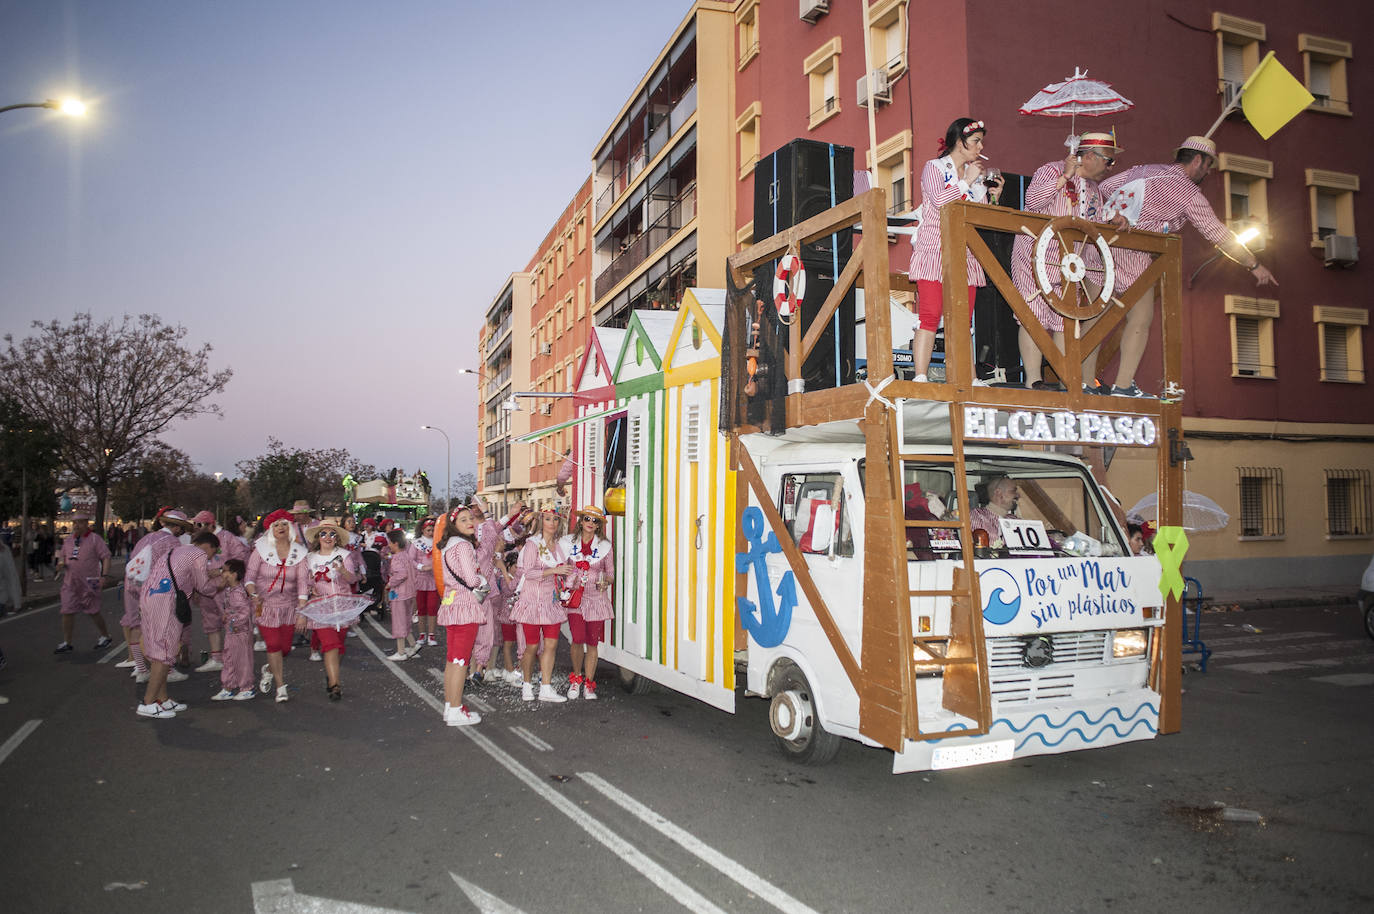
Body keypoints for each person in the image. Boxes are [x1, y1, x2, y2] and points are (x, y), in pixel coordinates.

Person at [1098, 135, 1277, 397]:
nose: (1208, 171)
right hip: (1134, 253)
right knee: (1140, 319)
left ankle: (1083, 383)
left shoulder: (1143, 169)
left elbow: (1104, 188)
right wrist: (1254, 265)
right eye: (1208, 165)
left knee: (1092, 318)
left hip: (1099, 246)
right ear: (1197, 161)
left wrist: (1117, 216)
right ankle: (1123, 386)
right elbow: (1217, 233)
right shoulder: (1189, 193)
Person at [1009, 131, 1123, 390]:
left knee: (1066, 317)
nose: (1111, 167)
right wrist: (1064, 177)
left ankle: (1065, 380)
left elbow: (1094, 222)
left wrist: (1112, 218)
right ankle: (1033, 380)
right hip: (1034, 253)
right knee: (1033, 314)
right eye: (1109, 161)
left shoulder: (1094, 190)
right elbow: (1033, 201)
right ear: (1091, 156)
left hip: (1069, 261)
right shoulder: (1051, 170)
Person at [908, 117, 1004, 383]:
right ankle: (920, 376)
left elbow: (982, 218)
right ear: (960, 142)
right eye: (975, 141)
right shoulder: (934, 167)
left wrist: (993, 195)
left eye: (980, 141)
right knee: (929, 314)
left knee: (963, 319)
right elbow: (939, 201)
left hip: (965, 252)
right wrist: (966, 181)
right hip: (934, 249)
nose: (980, 146)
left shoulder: (976, 176)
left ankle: (968, 377)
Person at [137, 531, 222, 719]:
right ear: (208, 545)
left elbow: (184, 575)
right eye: (213, 552)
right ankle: (148, 702)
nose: (210, 557)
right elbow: (204, 586)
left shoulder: (177, 550)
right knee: (164, 651)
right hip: (166, 602)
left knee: (158, 649)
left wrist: (209, 574)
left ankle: (163, 699)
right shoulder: (199, 554)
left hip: (150, 597)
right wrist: (222, 582)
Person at [120, 509, 195, 682]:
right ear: (177, 528)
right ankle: (167, 672)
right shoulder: (172, 542)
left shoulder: (146, 538)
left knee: (136, 626)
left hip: (132, 583)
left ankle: (140, 669)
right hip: (156, 589)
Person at [246, 509, 311, 703]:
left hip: (289, 607)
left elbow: (302, 583)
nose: (281, 528)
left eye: (284, 524)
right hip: (265, 606)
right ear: (270, 529)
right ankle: (281, 687)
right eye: (276, 525)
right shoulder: (260, 549)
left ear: (290, 527)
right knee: (273, 645)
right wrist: (253, 593)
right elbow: (249, 576)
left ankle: (269, 668)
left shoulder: (299, 552)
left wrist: (301, 613)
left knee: (284, 649)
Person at [512, 508, 571, 703]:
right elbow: (528, 573)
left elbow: (566, 570)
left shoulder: (560, 546)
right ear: (541, 521)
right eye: (548, 519)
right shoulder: (532, 544)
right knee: (532, 645)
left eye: (555, 519)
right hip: (532, 602)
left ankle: (546, 687)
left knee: (552, 644)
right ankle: (527, 684)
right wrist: (553, 570)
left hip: (551, 602)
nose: (552, 523)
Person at [436, 507, 485, 726]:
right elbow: (471, 579)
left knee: (452, 659)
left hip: (451, 604)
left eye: (471, 518)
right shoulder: (464, 546)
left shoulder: (449, 546)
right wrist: (481, 580)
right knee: (460, 661)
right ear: (454, 525)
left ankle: (450, 705)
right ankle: (455, 709)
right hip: (465, 605)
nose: (469, 522)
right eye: (463, 520)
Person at [304, 518, 362, 701]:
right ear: (317, 537)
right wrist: (309, 588)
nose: (327, 537)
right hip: (321, 608)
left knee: (338, 647)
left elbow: (353, 579)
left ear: (336, 537)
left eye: (331, 534)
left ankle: (331, 675)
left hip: (342, 608)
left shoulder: (344, 555)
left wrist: (343, 571)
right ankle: (335, 685)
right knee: (330, 646)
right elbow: (303, 581)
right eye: (323, 533)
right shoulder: (309, 558)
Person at [559, 505, 613, 700]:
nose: (590, 523)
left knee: (592, 642)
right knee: (577, 638)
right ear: (581, 521)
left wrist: (605, 581)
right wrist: (570, 574)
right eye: (587, 519)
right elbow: (559, 566)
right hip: (576, 598)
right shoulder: (566, 543)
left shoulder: (605, 546)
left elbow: (611, 574)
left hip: (596, 599)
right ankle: (576, 679)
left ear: (599, 526)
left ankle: (589, 684)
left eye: (595, 520)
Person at [53, 514, 113, 654]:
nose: (76, 525)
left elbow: (106, 557)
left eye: (80, 522)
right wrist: (60, 564)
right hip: (70, 582)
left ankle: (105, 636)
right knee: (67, 611)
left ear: (86, 523)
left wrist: (104, 576)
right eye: (74, 522)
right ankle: (67, 642)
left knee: (93, 611)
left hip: (89, 582)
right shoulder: (68, 541)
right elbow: (61, 556)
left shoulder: (95, 539)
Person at [211, 558, 257, 701]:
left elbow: (244, 612)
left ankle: (247, 687)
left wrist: (232, 621)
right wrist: (227, 615)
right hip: (232, 631)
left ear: (234, 574)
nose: (222, 574)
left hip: (240, 632)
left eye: (225, 571)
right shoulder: (230, 590)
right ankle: (228, 686)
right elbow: (231, 608)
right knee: (229, 658)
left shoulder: (238, 592)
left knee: (242, 660)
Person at [383, 529, 421, 661]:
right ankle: (413, 645)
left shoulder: (397, 558)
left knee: (399, 622)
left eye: (390, 542)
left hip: (399, 594)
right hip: (410, 593)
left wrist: (390, 583)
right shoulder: (407, 556)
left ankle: (401, 651)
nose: (388, 545)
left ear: (395, 543)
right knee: (406, 621)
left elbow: (401, 574)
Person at [412, 516, 439, 648]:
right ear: (423, 530)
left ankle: (432, 634)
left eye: (433, 529)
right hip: (420, 579)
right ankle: (422, 633)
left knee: (432, 608)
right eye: (428, 529)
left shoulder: (438, 543)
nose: (431, 532)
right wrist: (422, 567)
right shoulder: (416, 543)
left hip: (434, 579)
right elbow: (411, 559)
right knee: (421, 608)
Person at [970, 477, 1020, 545]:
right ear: (998, 493)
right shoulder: (977, 516)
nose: (1018, 495)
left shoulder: (1015, 521)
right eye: (1013, 491)